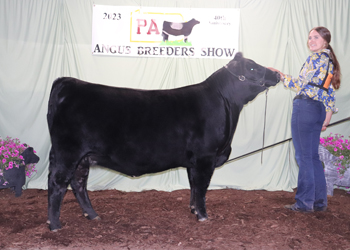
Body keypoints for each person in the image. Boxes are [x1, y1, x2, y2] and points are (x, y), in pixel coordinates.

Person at [270, 26, 341, 212]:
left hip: (305, 108)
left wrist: (280, 75)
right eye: (309, 37)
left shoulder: (316, 58)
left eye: (316, 37)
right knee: (313, 157)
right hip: (317, 110)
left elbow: (302, 85)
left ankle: (304, 202)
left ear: (325, 41)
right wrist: (327, 116)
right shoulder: (329, 62)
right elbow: (328, 91)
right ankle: (319, 202)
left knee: (304, 157)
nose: (311, 41)